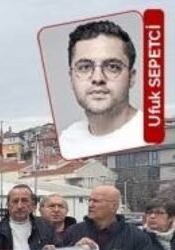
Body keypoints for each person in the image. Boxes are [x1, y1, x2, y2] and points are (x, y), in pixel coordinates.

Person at [58, 20, 146, 158]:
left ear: (131, 77)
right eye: (85, 67)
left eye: (112, 67)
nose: (98, 78)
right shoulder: (67, 140)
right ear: (71, 78)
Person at [0, 185, 57, 250]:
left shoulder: (46, 227)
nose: (19, 206)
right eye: (15, 201)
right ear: (8, 205)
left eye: (24, 201)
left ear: (33, 205)